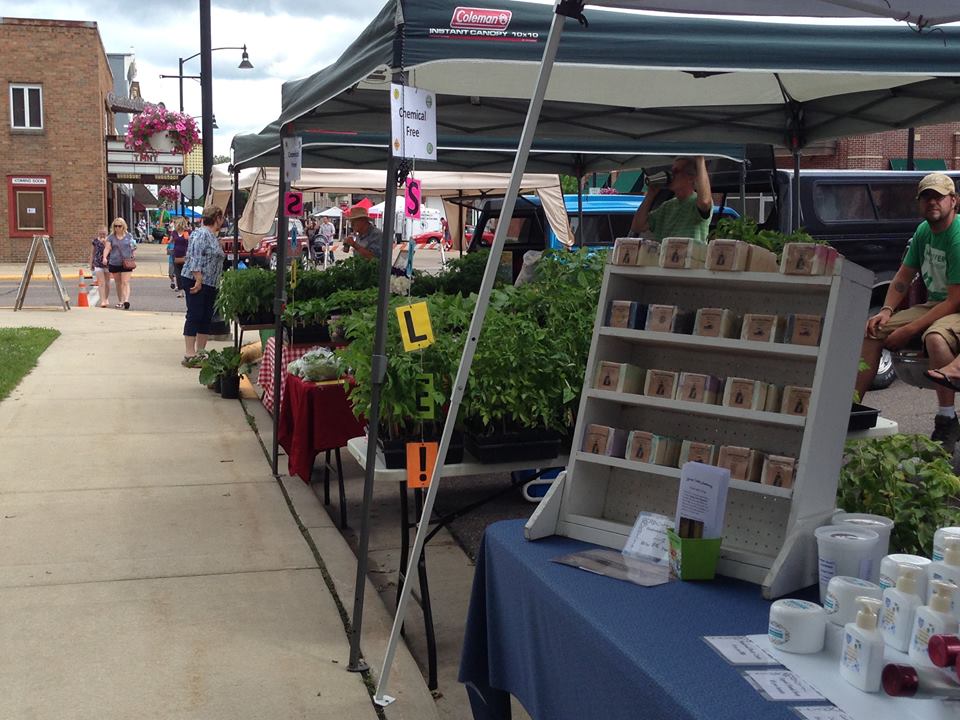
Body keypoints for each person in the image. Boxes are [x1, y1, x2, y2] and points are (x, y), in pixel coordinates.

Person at [856, 173, 960, 451]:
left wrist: (909, 330)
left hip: (955, 305)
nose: (931, 202)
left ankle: (947, 418)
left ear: (954, 201)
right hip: (937, 303)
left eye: (938, 197)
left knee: (936, 339)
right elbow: (903, 277)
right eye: (926, 197)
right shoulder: (924, 232)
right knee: (872, 329)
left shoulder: (957, 238)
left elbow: (953, 302)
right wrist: (887, 311)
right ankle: (851, 410)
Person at [181, 205, 227, 367]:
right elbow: (194, 257)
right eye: (222, 218)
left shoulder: (212, 236)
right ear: (217, 218)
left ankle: (201, 352)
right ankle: (189, 353)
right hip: (197, 280)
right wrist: (198, 279)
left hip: (210, 282)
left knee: (206, 317)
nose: (223, 221)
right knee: (195, 314)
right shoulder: (201, 234)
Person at [628, 156, 713, 242]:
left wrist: (700, 159)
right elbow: (637, 227)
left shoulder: (695, 203)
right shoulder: (666, 207)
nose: (671, 175)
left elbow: (705, 202)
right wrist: (650, 194)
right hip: (666, 254)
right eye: (671, 171)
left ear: (690, 178)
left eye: (676, 171)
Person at [103, 217, 135, 310]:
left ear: (123, 226)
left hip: (127, 262)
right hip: (115, 262)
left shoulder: (129, 236)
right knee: (118, 283)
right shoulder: (111, 237)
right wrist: (104, 257)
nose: (117, 228)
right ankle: (120, 301)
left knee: (125, 282)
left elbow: (133, 247)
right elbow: (107, 248)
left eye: (119, 226)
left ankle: (126, 300)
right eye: (115, 226)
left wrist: (133, 254)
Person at [90, 225, 111, 308]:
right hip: (98, 263)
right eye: (101, 233)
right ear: (98, 233)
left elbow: (111, 250)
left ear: (107, 233)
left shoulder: (109, 240)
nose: (102, 235)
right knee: (101, 282)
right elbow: (92, 253)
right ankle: (102, 300)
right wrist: (91, 263)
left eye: (104, 233)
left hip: (107, 263)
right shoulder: (95, 241)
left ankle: (106, 298)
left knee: (107, 282)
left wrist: (105, 243)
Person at [171, 217, 190, 298]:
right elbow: (171, 240)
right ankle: (181, 291)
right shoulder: (174, 233)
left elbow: (190, 241)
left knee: (185, 274)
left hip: (185, 255)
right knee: (178, 274)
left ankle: (187, 289)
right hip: (176, 254)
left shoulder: (187, 232)